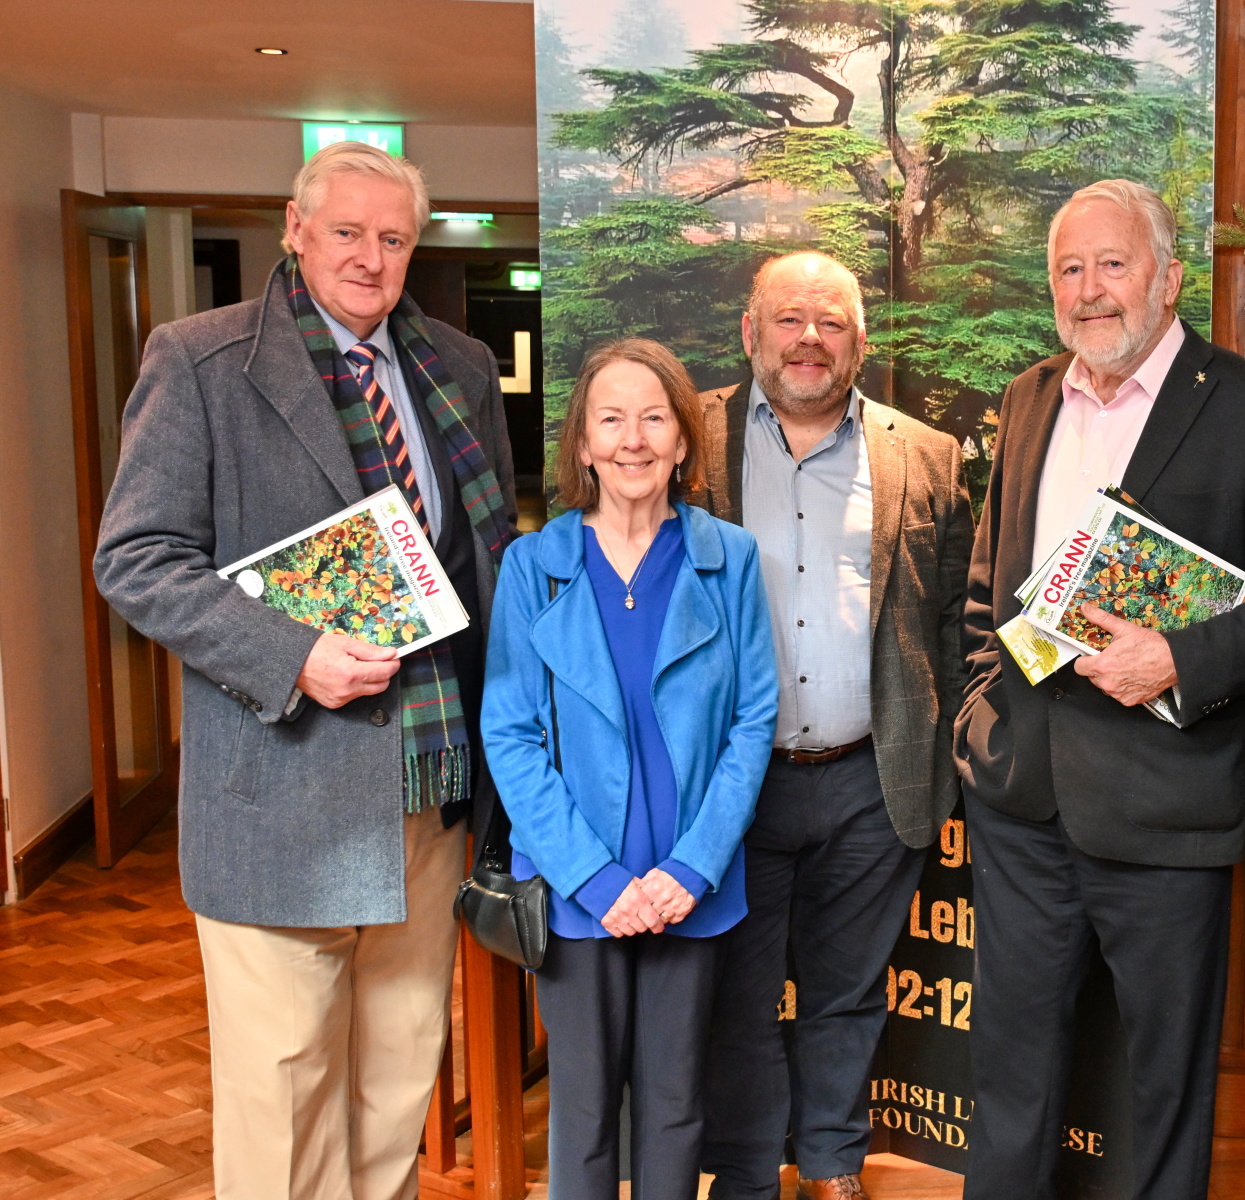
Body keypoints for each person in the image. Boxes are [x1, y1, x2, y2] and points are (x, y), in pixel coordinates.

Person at [92, 140, 516, 1200]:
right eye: (347, 232)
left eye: (393, 239)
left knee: (397, 1081)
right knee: (283, 1099)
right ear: (294, 228)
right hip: (280, 792)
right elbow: (136, 559)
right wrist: (296, 654)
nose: (371, 258)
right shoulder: (199, 360)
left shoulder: (460, 367)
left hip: (430, 789)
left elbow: (489, 558)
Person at [956, 180, 1245, 1198]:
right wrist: (979, 716)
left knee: (1163, 1087)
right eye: (1069, 269)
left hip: (1168, 809)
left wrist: (1181, 658)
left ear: (1168, 280)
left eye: (1112, 264)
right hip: (1021, 799)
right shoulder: (1029, 397)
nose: (1089, 290)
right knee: (1010, 1077)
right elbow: (988, 584)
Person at [693, 251, 974, 1200]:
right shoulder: (689, 438)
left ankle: (831, 1165)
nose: (808, 339)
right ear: (751, 332)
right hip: (732, 783)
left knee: (847, 993)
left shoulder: (926, 455)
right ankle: (746, 1176)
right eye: (789, 319)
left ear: (860, 341)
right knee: (739, 995)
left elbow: (952, 619)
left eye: (831, 323)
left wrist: (946, 752)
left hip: (872, 780)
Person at [482, 338, 778, 1198]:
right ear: (582, 443)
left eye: (654, 418)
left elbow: (753, 721)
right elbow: (511, 736)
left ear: (683, 441)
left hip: (691, 886)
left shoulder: (730, 560)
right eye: (611, 419)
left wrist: (692, 867)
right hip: (578, 891)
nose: (633, 439)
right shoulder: (532, 569)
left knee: (677, 1106)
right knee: (580, 1114)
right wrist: (594, 878)